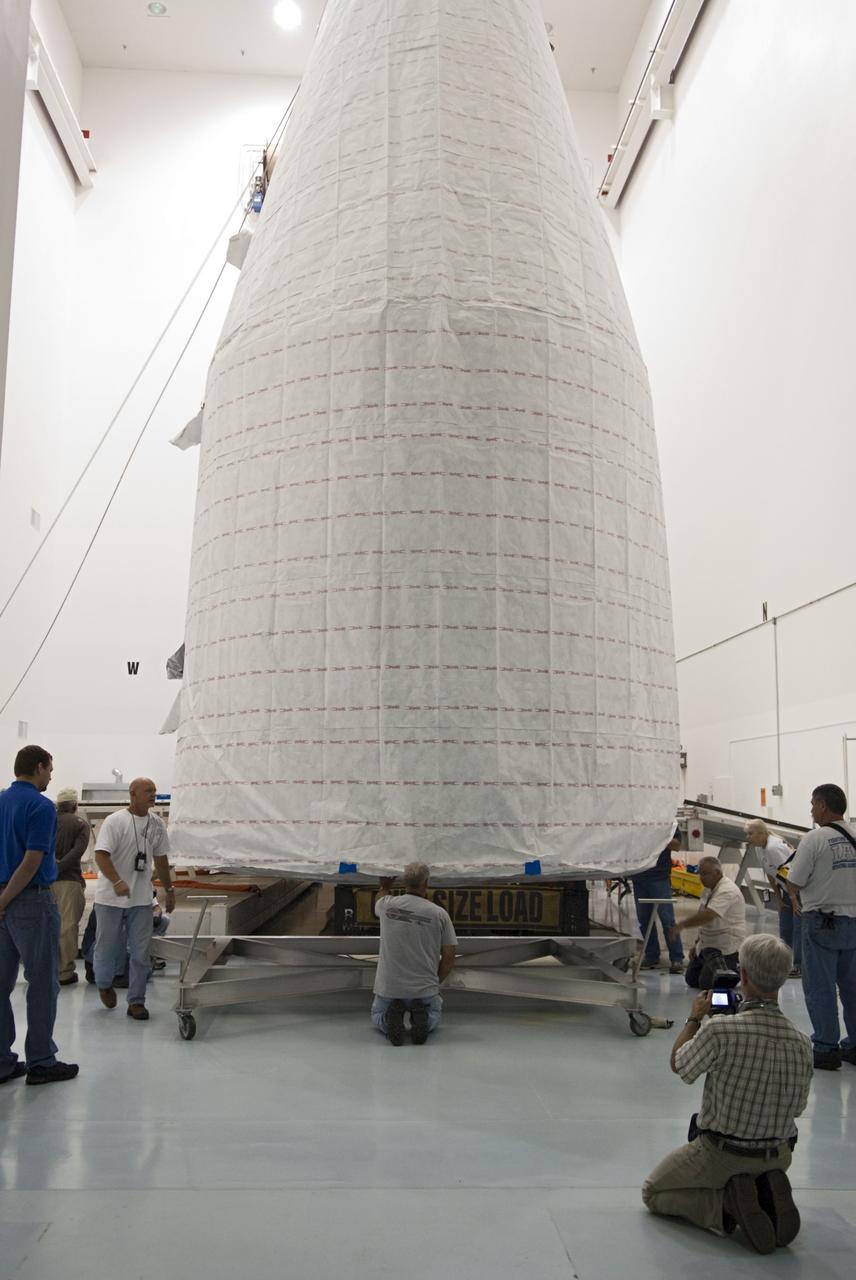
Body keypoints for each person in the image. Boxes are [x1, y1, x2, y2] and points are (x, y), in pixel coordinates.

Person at [642, 934, 812, 1253]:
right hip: (779, 1153)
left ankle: (726, 1206)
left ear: (743, 976)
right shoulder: (802, 1042)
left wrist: (695, 1019)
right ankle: (764, 1186)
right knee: (765, 1156)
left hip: (724, 1153)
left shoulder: (721, 1030)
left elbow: (680, 1065)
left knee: (653, 1193)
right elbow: (799, 1107)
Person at [0, 745, 78, 1085]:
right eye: (49, 769)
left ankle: (2, 1061)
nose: (51, 776)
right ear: (38, 767)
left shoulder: (1, 801)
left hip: (2, 900)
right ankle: (42, 1061)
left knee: (1, 984)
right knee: (43, 983)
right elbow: (32, 862)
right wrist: (6, 899)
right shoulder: (41, 807)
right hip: (30, 902)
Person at [786, 783, 856, 1071]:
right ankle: (853, 1045)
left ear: (824, 806)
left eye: (813, 804)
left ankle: (826, 1048)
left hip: (821, 923)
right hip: (854, 921)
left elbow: (795, 880)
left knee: (820, 987)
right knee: (852, 987)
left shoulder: (814, 839)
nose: (811, 809)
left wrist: (790, 893)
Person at [93, 777, 174, 1021]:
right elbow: (100, 855)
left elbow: (160, 860)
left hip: (141, 900)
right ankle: (104, 983)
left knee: (141, 953)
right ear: (132, 793)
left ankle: (136, 1002)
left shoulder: (157, 824)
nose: (153, 794)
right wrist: (117, 881)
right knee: (107, 949)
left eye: (155, 791)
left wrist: (169, 891)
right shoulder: (115, 821)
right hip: (110, 899)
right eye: (148, 791)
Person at [371, 862, 457, 1045]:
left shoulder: (387, 906)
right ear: (426, 883)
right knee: (433, 1017)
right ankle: (423, 1020)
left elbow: (379, 899)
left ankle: (389, 1020)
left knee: (377, 1016)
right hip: (424, 990)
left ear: (404, 882)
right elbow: (449, 956)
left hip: (389, 989)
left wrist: (385, 886)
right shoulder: (439, 914)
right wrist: (434, 980)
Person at [671, 856, 746, 989]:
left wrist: (682, 925)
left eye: (705, 874)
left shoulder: (728, 891)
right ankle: (721, 966)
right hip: (708, 944)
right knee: (692, 980)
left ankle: (740, 969)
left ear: (717, 873)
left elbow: (709, 915)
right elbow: (703, 918)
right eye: (700, 873)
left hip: (726, 944)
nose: (701, 877)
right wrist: (696, 944)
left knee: (707, 984)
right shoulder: (708, 889)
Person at [744, 819, 800, 976]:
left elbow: (790, 876)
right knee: (785, 927)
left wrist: (794, 900)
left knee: (797, 927)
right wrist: (778, 898)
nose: (748, 837)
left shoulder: (773, 848)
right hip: (786, 890)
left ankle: (799, 965)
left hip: (797, 890)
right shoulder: (759, 847)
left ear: (761, 834)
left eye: (750, 834)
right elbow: (769, 873)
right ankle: (785, 962)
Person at [51, 787, 91, 986]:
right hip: (69, 881)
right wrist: (60, 867)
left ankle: (46, 971)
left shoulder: (47, 821)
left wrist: (50, 869)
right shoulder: (80, 824)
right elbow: (78, 851)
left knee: (47, 928)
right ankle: (65, 973)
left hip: (43, 882)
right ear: (75, 805)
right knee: (67, 927)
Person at [632, 826, 685, 973]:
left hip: (659, 878)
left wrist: (657, 838)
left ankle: (677, 958)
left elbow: (677, 845)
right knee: (644, 920)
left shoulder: (666, 820)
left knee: (667, 920)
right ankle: (651, 956)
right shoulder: (635, 820)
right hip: (639, 877)